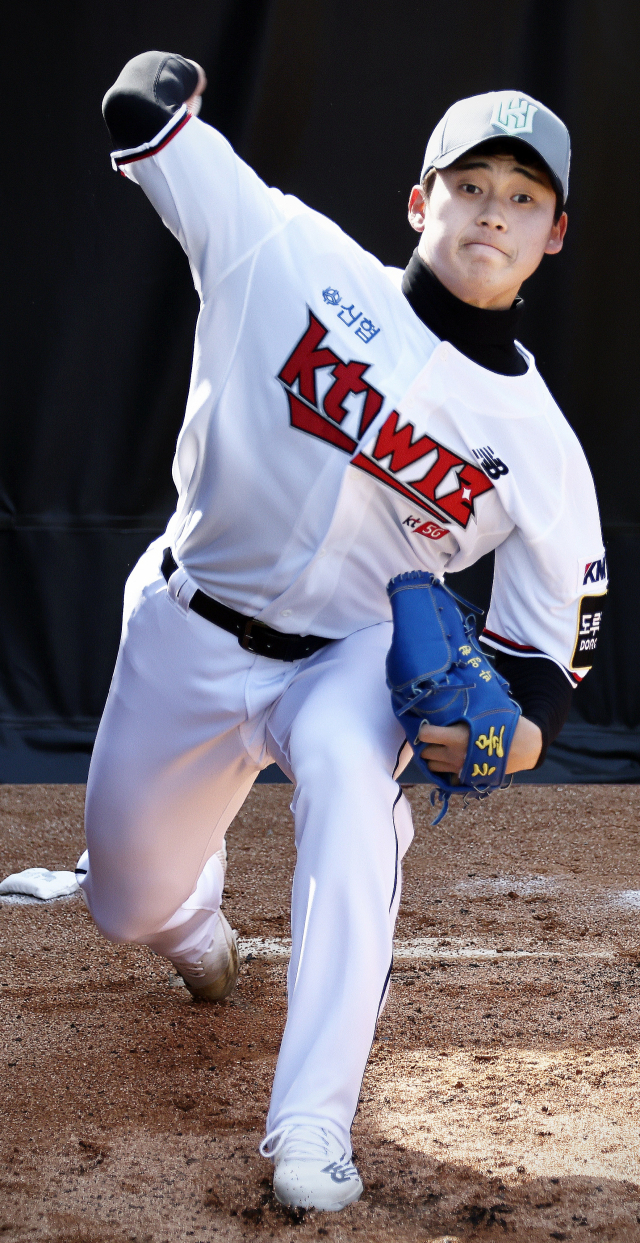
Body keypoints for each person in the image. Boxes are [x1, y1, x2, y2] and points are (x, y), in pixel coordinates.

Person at [76, 55, 606, 1211]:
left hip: (351, 655)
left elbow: (540, 669)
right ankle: (191, 920)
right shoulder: (285, 253)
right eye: (471, 185)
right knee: (125, 904)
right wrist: (167, 81)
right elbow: (139, 114)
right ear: (420, 200)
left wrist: (506, 741)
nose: (494, 212)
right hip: (189, 627)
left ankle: (311, 1124)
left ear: (553, 234)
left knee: (355, 788)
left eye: (523, 197)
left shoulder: (542, 449)